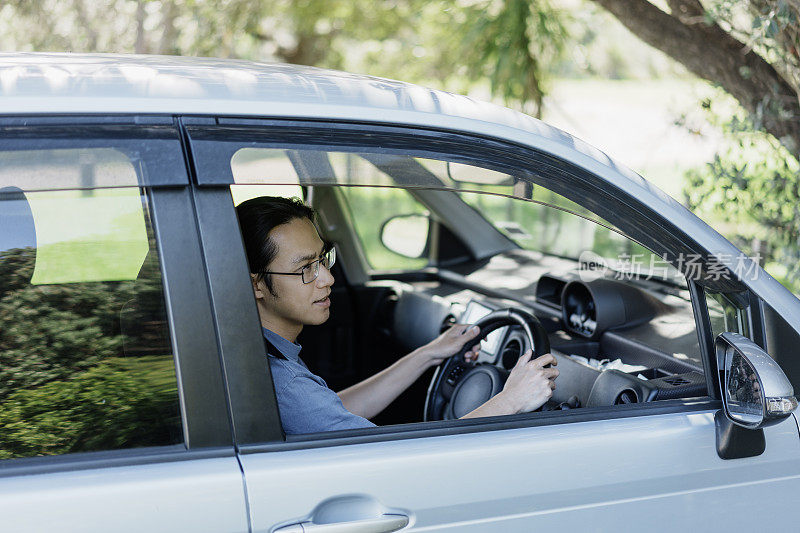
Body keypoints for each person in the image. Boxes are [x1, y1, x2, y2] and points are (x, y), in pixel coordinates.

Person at [236, 196, 558, 434]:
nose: (328, 278)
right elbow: (398, 462)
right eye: (306, 268)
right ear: (256, 286)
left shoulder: (263, 351)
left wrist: (428, 354)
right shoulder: (285, 382)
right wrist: (511, 400)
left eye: (323, 259)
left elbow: (331, 411)